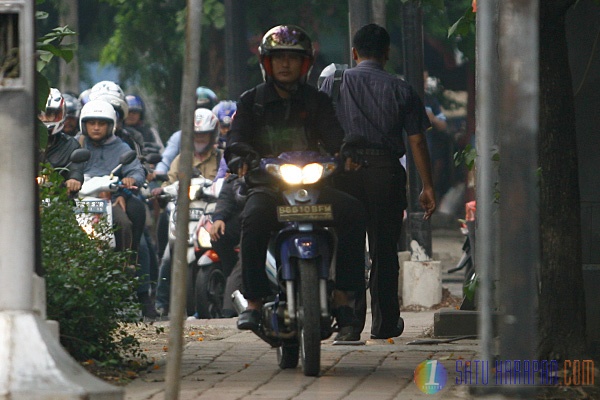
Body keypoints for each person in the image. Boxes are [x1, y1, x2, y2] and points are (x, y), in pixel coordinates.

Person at [227, 24, 367, 340]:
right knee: (252, 217)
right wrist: (241, 158)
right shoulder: (251, 102)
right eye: (279, 59)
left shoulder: (316, 100)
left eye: (292, 58)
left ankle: (344, 297)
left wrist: (347, 151)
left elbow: (335, 137)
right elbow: (236, 141)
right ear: (267, 63)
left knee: (353, 212)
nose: (286, 65)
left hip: (313, 186)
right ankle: (253, 300)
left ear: (304, 64)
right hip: (269, 187)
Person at [319, 23, 436, 340]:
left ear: (354, 52)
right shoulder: (401, 89)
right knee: (384, 250)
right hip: (386, 174)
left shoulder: (332, 82)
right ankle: (384, 324)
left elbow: (315, 128)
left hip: (343, 174)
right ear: (387, 54)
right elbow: (417, 143)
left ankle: (347, 325)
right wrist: (427, 186)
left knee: (347, 247)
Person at [65, 99, 151, 315]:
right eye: (91, 123)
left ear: (111, 125)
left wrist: (131, 180)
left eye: (101, 123)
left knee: (123, 221)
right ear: (83, 124)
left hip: (110, 200)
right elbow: (64, 166)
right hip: (79, 201)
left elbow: (136, 170)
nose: (96, 127)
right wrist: (68, 180)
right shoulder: (75, 144)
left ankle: (125, 267)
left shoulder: (121, 147)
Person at [153, 108, 224, 317]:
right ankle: (161, 302)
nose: (200, 139)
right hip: (184, 214)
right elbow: (169, 182)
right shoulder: (182, 158)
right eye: (196, 134)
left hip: (211, 214)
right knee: (168, 255)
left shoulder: (221, 158)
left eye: (204, 134)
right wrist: (161, 189)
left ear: (213, 135)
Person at [38, 88, 84, 193]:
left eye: (49, 114)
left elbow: (76, 168)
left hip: (59, 199)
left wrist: (74, 179)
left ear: (59, 114)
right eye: (40, 114)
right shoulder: (20, 143)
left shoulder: (70, 145)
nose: (44, 118)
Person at [423, 70, 450, 201]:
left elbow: (443, 125)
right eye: (423, 81)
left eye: (426, 81)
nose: (425, 85)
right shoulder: (405, 97)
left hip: (429, 143)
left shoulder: (430, 101)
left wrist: (432, 119)